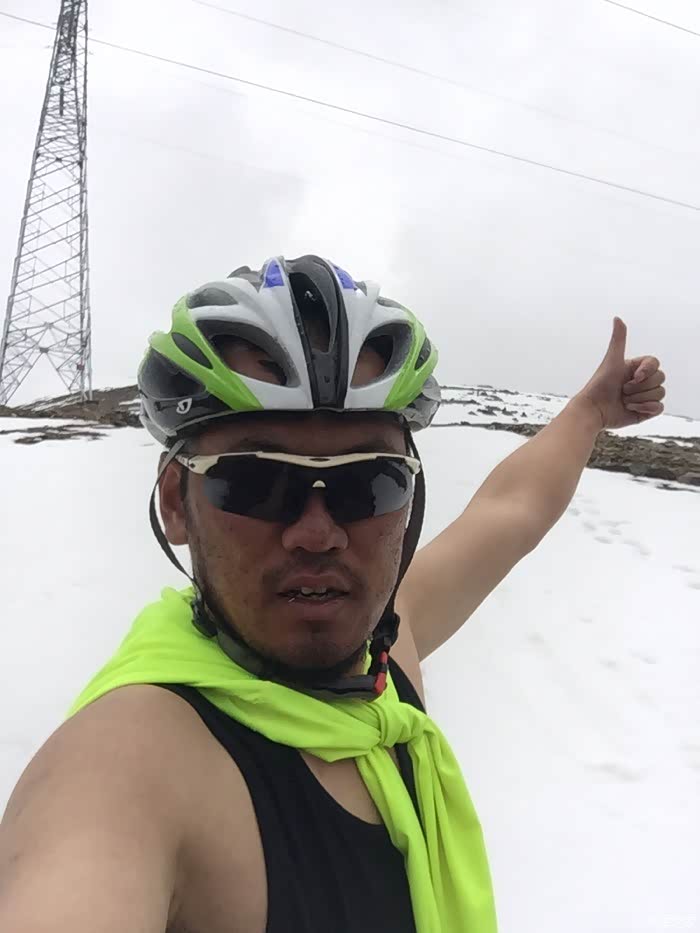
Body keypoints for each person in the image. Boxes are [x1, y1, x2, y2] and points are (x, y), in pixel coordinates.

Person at [0, 255, 665, 933]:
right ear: (176, 501)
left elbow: (510, 509)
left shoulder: (385, 665)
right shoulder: (129, 764)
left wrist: (590, 412)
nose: (317, 534)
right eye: (256, 482)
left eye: (368, 483)